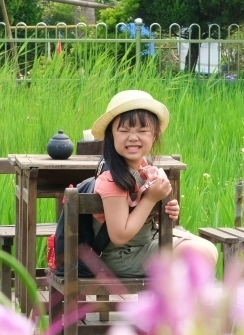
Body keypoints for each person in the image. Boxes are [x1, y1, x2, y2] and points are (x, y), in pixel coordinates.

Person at [89, 90, 219, 277]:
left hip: (147, 242)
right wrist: (150, 199)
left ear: (154, 136)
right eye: (124, 130)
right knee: (199, 254)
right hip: (122, 256)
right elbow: (119, 236)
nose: (133, 137)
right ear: (111, 136)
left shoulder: (145, 169)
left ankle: (183, 302)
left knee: (208, 250)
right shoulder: (111, 180)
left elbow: (143, 218)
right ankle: (183, 303)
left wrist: (163, 209)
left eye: (142, 131)